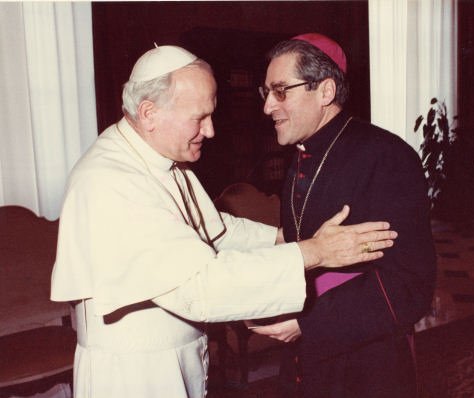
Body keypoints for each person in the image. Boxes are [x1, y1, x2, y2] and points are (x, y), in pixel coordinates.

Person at [51, 45, 398, 398]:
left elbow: (214, 229)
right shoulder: (111, 180)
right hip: (136, 374)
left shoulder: (154, 159)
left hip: (170, 356)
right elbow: (200, 286)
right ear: (149, 113)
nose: (211, 130)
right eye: (199, 117)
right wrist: (313, 253)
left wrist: (284, 238)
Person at [251, 33, 437, 398]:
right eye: (266, 93)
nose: (268, 106)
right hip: (306, 355)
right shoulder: (303, 153)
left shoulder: (386, 156)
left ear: (325, 91)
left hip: (367, 363)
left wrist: (309, 322)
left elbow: (410, 284)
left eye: (281, 90)